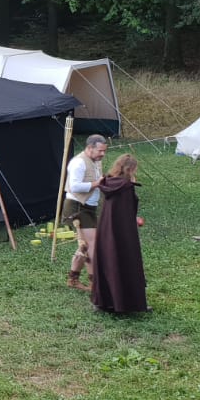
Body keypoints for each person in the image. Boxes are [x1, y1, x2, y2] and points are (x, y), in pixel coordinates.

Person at [89, 153, 149, 313]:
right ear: (130, 169)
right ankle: (126, 304)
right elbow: (128, 209)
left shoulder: (107, 182)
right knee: (126, 261)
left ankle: (104, 303)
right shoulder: (126, 187)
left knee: (108, 261)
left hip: (106, 230)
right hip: (123, 232)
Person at [64, 134, 108, 291]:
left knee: (84, 246)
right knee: (92, 245)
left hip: (88, 207)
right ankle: (95, 283)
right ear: (90, 148)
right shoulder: (78, 162)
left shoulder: (96, 161)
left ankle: (73, 278)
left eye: (104, 151)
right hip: (77, 206)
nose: (103, 154)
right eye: (100, 151)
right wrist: (97, 183)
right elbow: (74, 186)